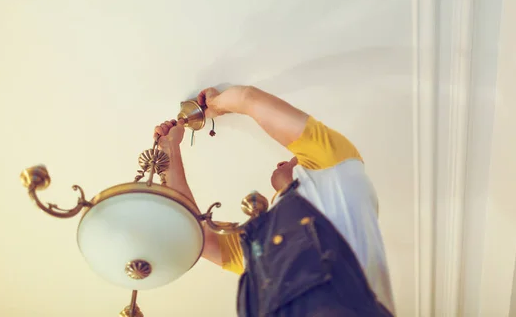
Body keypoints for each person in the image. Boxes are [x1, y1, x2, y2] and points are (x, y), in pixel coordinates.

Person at [155, 85, 395, 317]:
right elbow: (249, 98)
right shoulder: (334, 168)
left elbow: (199, 240)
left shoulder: (267, 250)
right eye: (292, 158)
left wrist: (214, 108)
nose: (282, 162)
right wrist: (171, 149)